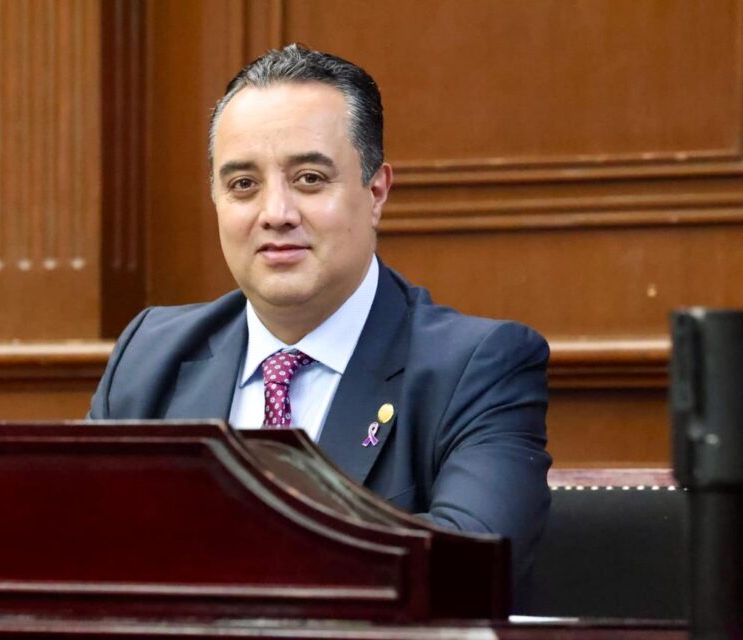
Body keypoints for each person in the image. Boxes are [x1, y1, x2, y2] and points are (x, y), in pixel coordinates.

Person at [88, 44, 550, 593]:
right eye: (243, 185)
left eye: (309, 178)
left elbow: (470, 567)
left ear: (375, 192)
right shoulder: (148, 357)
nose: (276, 214)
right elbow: (77, 546)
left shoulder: (475, 368)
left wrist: (225, 554)